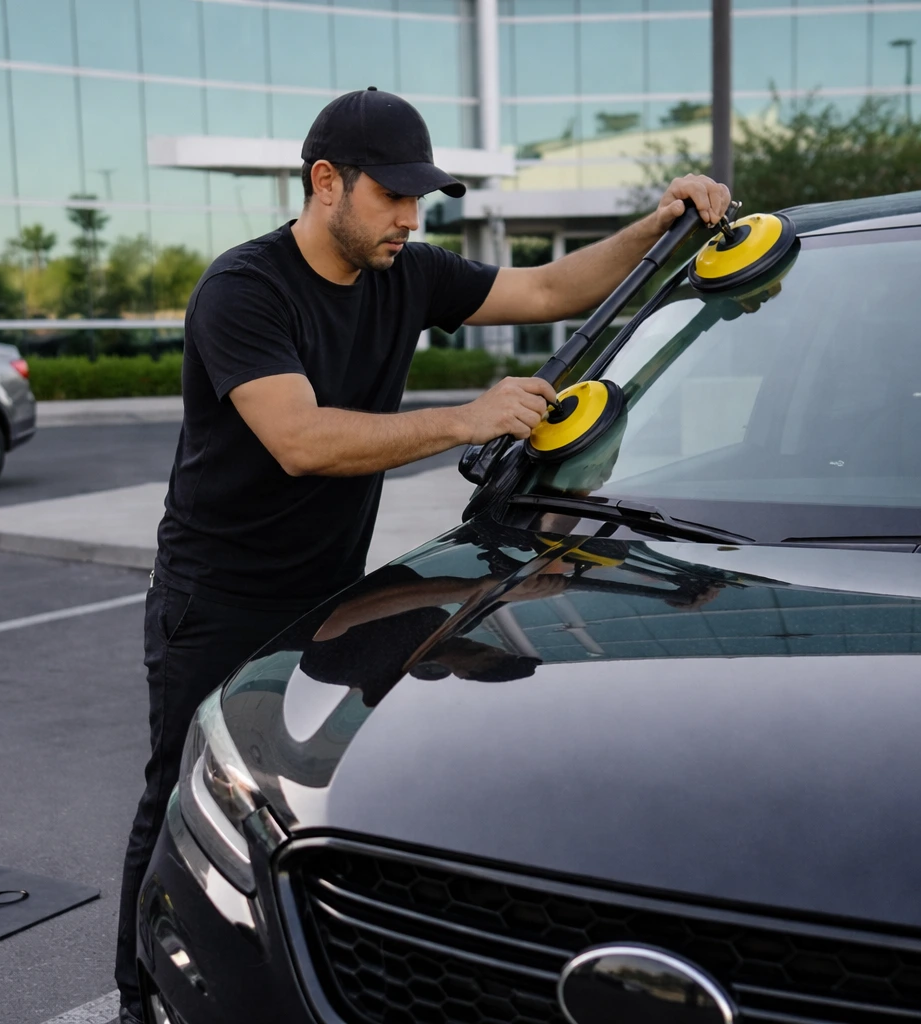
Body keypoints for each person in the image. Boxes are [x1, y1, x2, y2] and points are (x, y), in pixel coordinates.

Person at [113, 86, 730, 1022]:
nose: (411, 217)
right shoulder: (244, 291)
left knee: (303, 808)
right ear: (327, 183)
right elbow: (300, 440)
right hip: (218, 598)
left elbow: (552, 288)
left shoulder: (409, 270)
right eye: (392, 196)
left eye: (420, 199)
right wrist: (465, 419)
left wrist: (658, 225)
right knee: (181, 800)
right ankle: (138, 997)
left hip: (329, 595)